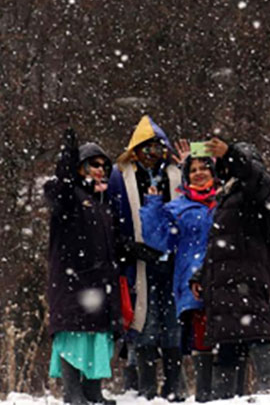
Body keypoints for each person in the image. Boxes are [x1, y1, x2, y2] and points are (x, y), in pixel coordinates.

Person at [189, 138, 270, 399]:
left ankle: (269, 393)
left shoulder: (259, 190)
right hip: (222, 282)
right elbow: (218, 245)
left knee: (258, 333)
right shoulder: (226, 195)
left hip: (248, 276)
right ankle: (222, 399)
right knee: (226, 343)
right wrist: (201, 275)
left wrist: (230, 153)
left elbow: (253, 177)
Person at [108, 115, 186, 400]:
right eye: (146, 148)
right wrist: (128, 247)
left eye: (157, 148)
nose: (152, 154)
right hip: (138, 263)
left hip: (173, 261)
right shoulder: (120, 176)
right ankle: (146, 388)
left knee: (173, 325)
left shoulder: (176, 174)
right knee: (144, 323)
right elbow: (111, 221)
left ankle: (174, 387)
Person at [44, 128, 122, 405]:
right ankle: (72, 392)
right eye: (93, 164)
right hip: (72, 282)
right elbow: (61, 189)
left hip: (100, 283)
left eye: (104, 166)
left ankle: (92, 391)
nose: (100, 170)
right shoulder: (68, 196)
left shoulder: (103, 204)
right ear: (79, 167)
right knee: (74, 335)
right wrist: (67, 160)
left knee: (97, 337)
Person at [140, 147, 219, 402]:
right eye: (193, 170)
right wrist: (153, 206)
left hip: (225, 277)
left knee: (230, 337)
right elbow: (159, 240)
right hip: (191, 280)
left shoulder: (226, 201)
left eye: (204, 168)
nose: (198, 173)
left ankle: (230, 394)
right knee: (202, 337)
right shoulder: (178, 207)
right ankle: (205, 395)